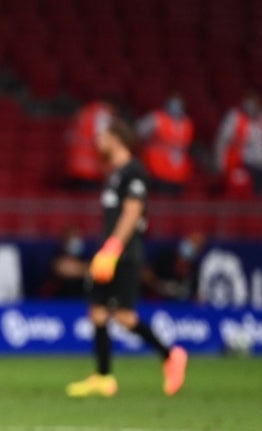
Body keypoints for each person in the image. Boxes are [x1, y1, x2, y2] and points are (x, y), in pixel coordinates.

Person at [66, 119, 188, 398]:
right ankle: (103, 377)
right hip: (109, 251)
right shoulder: (116, 174)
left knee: (123, 316)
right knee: (97, 311)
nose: (98, 142)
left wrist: (113, 248)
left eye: (102, 136)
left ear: (116, 138)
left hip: (123, 254)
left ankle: (171, 355)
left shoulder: (135, 172)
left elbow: (132, 213)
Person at [215, 91, 262, 197]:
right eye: (248, 100)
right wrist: (220, 162)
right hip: (239, 164)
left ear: (260, 102)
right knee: (239, 192)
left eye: (254, 100)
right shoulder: (234, 116)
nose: (250, 103)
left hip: (261, 165)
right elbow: (222, 140)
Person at [136, 94, 194, 195]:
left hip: (178, 175)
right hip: (157, 172)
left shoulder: (187, 123)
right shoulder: (156, 119)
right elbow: (138, 133)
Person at [141, 231, 206, 302]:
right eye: (190, 242)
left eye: (196, 245)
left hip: (180, 308)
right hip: (154, 303)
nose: (191, 246)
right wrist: (159, 286)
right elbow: (144, 273)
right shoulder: (165, 257)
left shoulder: (194, 270)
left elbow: (197, 297)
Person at [65, 99, 114, 190]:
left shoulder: (84, 111)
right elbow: (102, 137)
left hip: (76, 163)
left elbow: (69, 136)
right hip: (91, 167)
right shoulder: (103, 115)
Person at [41, 226, 90, 299]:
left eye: (77, 236)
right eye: (72, 237)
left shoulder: (85, 256)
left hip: (82, 299)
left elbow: (93, 270)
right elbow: (62, 268)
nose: (76, 241)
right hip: (58, 300)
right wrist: (83, 269)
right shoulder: (56, 253)